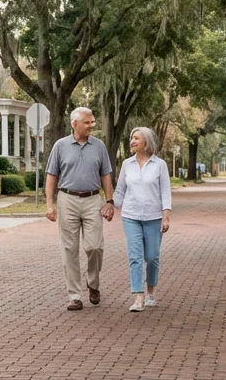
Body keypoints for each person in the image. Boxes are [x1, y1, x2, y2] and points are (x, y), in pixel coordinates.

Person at [45, 107, 115, 311]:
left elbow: (106, 175)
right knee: (69, 249)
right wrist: (50, 205)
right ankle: (74, 295)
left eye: (92, 122)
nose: (92, 125)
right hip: (67, 199)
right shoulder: (60, 146)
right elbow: (51, 176)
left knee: (95, 246)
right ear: (74, 124)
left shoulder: (99, 146)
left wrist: (109, 201)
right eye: (87, 122)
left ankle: (93, 284)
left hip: (93, 199)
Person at [112, 127, 172, 312]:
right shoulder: (127, 164)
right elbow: (120, 190)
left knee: (152, 257)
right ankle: (138, 297)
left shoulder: (159, 164)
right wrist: (109, 205)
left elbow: (165, 191)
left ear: (146, 142)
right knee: (135, 257)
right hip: (131, 216)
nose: (132, 141)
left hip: (153, 217)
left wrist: (166, 216)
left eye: (136, 138)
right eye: (131, 138)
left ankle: (151, 292)